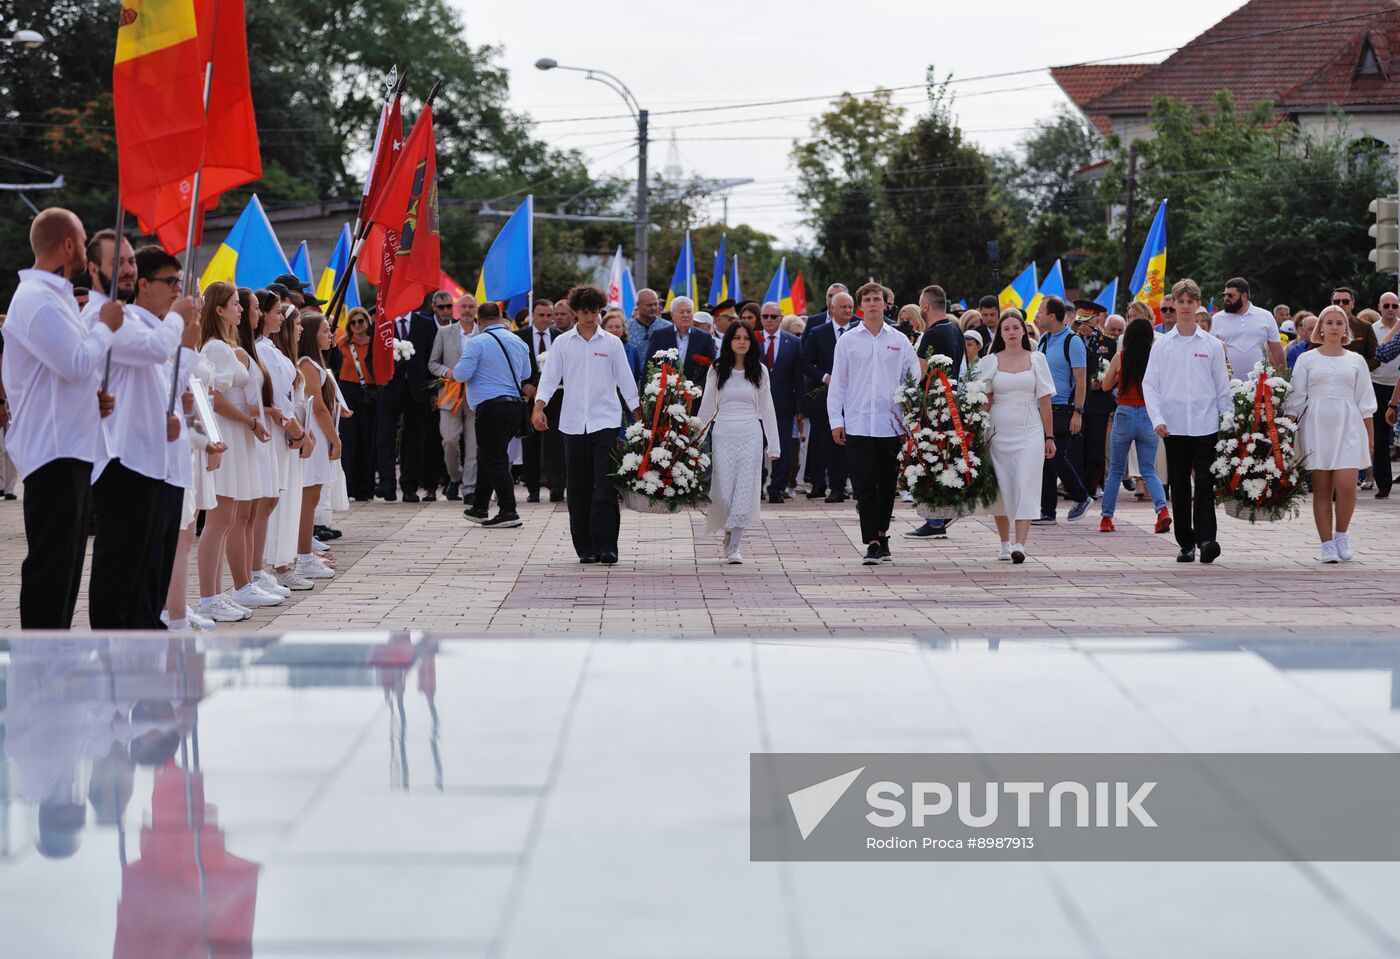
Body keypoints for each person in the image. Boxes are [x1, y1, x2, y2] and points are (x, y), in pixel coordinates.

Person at [5, 209, 124, 629]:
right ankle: (38, 670)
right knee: (52, 571)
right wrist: (106, 328)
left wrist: (93, 400)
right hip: (51, 452)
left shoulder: (52, 296)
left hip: (70, 447)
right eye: (83, 236)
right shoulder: (36, 299)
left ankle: (51, 662)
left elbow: (63, 376)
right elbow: (75, 362)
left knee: (67, 568)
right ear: (69, 244)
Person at [532, 286, 641, 565]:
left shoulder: (612, 344)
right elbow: (549, 379)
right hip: (571, 424)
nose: (590, 317)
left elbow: (627, 383)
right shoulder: (563, 343)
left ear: (600, 311)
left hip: (605, 423)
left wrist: (640, 417)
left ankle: (607, 547)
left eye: (594, 312)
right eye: (584, 312)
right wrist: (539, 407)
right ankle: (585, 548)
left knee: (605, 487)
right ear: (575, 312)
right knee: (578, 489)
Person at [828, 282, 921, 565]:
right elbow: (838, 383)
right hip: (857, 423)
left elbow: (913, 378)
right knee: (863, 485)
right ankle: (872, 541)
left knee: (886, 483)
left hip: (890, 424)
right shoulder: (847, 341)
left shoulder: (899, 340)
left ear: (885, 304)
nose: (872, 304)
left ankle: (883, 533)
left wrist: (908, 418)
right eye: (866, 299)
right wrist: (836, 420)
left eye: (876, 299)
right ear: (860, 306)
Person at [1143, 279, 1231, 564]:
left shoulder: (1212, 345)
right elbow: (1151, 385)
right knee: (1180, 485)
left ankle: (1207, 540)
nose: (1184, 306)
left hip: (1207, 425)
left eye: (1189, 301)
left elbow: (1222, 387)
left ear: (1197, 305)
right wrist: (1157, 418)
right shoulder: (1162, 346)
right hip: (1174, 426)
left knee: (1205, 483)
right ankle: (1185, 543)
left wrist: (1227, 422)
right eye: (1179, 301)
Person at [195, 283, 268, 622]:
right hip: (228, 433)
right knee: (220, 518)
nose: (241, 310)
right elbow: (216, 399)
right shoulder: (218, 349)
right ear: (219, 309)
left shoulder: (228, 346)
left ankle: (219, 592)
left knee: (228, 518)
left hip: (237, 434)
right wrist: (250, 422)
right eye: (235, 304)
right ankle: (209, 597)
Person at [1286, 306, 1374, 562]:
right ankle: (1326, 544)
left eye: (1339, 322)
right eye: (1329, 322)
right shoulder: (1306, 359)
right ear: (1320, 328)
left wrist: (1370, 438)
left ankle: (1341, 535)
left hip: (1348, 425)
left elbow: (1365, 401)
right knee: (1322, 488)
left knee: (1347, 485)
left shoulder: (1356, 360)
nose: (1334, 326)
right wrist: (1287, 433)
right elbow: (1296, 398)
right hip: (1315, 428)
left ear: (1346, 328)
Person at [974, 310, 1056, 563]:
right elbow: (984, 400)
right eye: (1006, 328)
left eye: (1015, 327)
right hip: (998, 431)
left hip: (1029, 427)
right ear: (1000, 333)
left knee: (1025, 482)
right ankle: (1004, 542)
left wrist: (1049, 437)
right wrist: (974, 431)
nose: (1011, 332)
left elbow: (1044, 401)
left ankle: (1020, 543)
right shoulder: (990, 361)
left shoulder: (1037, 359)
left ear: (1023, 330)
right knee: (1001, 486)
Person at [697, 323, 781, 563]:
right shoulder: (717, 369)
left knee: (745, 489)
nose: (741, 342)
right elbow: (707, 406)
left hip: (751, 434)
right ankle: (727, 527)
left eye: (746, 338)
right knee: (723, 491)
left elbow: (768, 409)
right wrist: (693, 439)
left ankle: (734, 545)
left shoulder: (760, 371)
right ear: (729, 341)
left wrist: (773, 445)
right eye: (736, 338)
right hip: (723, 433)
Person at [455, 301, 531, 528]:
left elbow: (460, 374)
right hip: (513, 407)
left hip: (491, 408)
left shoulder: (477, 342)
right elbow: (526, 373)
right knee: (488, 456)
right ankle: (479, 507)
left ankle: (509, 510)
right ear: (500, 317)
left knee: (495, 459)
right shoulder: (518, 340)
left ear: (479, 320)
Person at [1097, 316, 1170, 535]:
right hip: (1149, 415)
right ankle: (1162, 511)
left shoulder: (1121, 357)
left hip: (1125, 413)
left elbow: (1105, 385)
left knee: (1117, 470)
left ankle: (1106, 518)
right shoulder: (1156, 359)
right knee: (1148, 470)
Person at [906, 285, 968, 540]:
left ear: (926, 307)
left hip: (932, 406)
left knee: (929, 459)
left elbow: (919, 373)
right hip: (951, 402)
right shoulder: (955, 329)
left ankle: (934, 520)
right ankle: (941, 515)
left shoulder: (931, 335)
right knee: (944, 459)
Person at [1033, 295, 1092, 525]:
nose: (1037, 316)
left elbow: (1081, 379)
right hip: (1044, 407)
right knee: (1047, 459)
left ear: (1052, 315)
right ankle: (1047, 511)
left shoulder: (1072, 341)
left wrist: (1078, 411)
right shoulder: (1045, 340)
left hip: (1064, 408)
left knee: (1054, 456)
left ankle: (1081, 495)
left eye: (1040, 312)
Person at [375, 304, 435, 502]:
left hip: (417, 391)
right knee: (385, 437)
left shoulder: (425, 324)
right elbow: (371, 354)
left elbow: (432, 357)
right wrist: (378, 377)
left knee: (414, 439)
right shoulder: (383, 322)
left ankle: (409, 486)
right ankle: (387, 483)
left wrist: (433, 391)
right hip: (389, 390)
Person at [803, 290, 853, 502]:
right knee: (831, 444)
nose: (848, 311)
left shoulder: (860, 329)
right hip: (825, 398)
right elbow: (805, 362)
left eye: (850, 307)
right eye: (843, 307)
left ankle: (857, 487)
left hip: (854, 398)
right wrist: (824, 377)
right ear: (832, 309)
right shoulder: (818, 332)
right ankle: (836, 487)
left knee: (855, 444)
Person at [428, 293, 477, 502]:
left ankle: (469, 489)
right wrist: (447, 372)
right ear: (458, 309)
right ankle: (455, 477)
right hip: (450, 394)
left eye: (471, 306)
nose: (467, 310)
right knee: (449, 440)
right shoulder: (445, 332)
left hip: (476, 395)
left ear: (476, 310)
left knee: (474, 444)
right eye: (463, 306)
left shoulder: (483, 333)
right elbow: (432, 363)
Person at [516, 298, 564, 503]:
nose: (545, 319)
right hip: (529, 398)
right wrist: (523, 384)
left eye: (549, 315)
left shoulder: (561, 338)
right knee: (530, 444)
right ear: (533, 316)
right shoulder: (519, 337)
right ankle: (533, 489)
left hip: (557, 397)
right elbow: (513, 365)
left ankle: (557, 488)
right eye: (541, 315)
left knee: (556, 444)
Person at [757, 300, 802, 505]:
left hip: (783, 405)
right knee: (757, 448)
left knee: (781, 450)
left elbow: (798, 377)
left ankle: (777, 489)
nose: (768, 320)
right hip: (756, 405)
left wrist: (800, 407)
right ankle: (756, 487)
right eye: (764, 316)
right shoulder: (752, 339)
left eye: (773, 316)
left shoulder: (793, 342)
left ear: (780, 318)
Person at [335, 306, 377, 500]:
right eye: (354, 322)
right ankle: (348, 487)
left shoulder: (374, 344)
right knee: (348, 440)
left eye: (361, 321)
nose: (358, 325)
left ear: (367, 322)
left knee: (367, 440)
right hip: (347, 391)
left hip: (368, 392)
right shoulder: (342, 344)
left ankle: (365, 488)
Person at [1212, 277, 1285, 377]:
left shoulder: (1265, 316)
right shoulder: (1216, 319)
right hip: (1228, 384)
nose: (1226, 298)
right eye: (1224, 295)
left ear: (1244, 296)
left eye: (1230, 295)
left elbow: (1277, 350)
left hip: (1261, 384)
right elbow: (1210, 352)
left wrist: (1283, 378)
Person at [647, 296, 716, 390]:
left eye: (689, 311)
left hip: (695, 397)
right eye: (681, 312)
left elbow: (712, 369)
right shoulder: (659, 336)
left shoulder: (704, 338)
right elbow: (649, 367)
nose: (686, 315)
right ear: (672, 315)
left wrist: (700, 387)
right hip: (665, 397)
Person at [1371, 293, 1400, 499]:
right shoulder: (1372, 329)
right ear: (1379, 307)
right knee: (1380, 438)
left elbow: (1382, 352)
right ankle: (1384, 484)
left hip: (1395, 386)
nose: (1391, 309)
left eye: (1395, 305)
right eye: (1387, 305)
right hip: (1379, 386)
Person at [603, 310, 643, 431]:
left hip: (626, 406)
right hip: (604, 405)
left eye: (617, 326)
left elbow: (637, 376)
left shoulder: (632, 350)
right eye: (610, 327)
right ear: (603, 328)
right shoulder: (597, 349)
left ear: (623, 329)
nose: (614, 329)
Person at [625, 287, 672, 358]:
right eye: (649, 305)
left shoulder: (668, 327)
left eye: (655, 304)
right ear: (638, 305)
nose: (653, 308)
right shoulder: (627, 328)